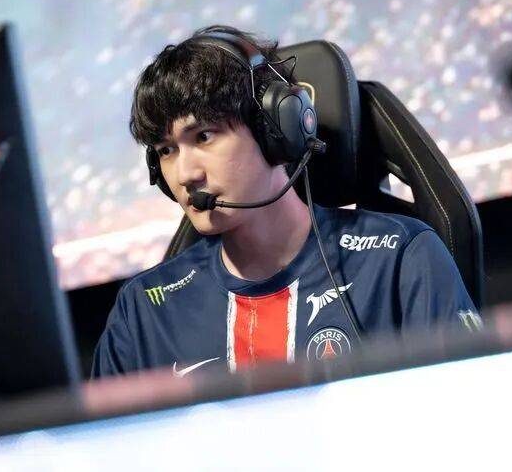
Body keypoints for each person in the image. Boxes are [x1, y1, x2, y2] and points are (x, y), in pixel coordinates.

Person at [92, 25, 478, 378]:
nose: (184, 174)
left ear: (276, 131)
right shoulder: (141, 312)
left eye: (204, 136)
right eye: (166, 150)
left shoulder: (401, 260)